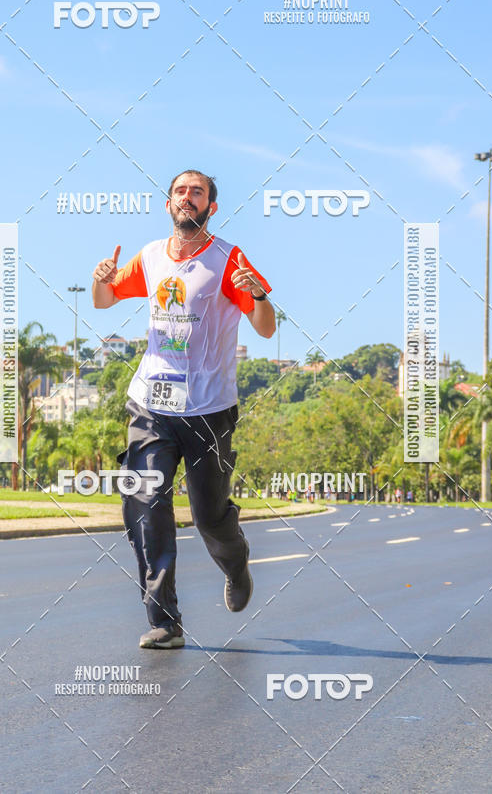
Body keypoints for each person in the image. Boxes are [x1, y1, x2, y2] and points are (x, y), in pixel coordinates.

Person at [92, 169, 275, 649]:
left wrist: (255, 293)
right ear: (169, 203)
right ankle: (165, 620)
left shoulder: (228, 259)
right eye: (180, 191)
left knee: (209, 514)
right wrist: (102, 281)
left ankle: (236, 565)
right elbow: (105, 301)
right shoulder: (151, 256)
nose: (187, 198)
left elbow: (266, 328)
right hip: (151, 401)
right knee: (145, 502)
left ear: (211, 207)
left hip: (209, 408)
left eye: (197, 192)